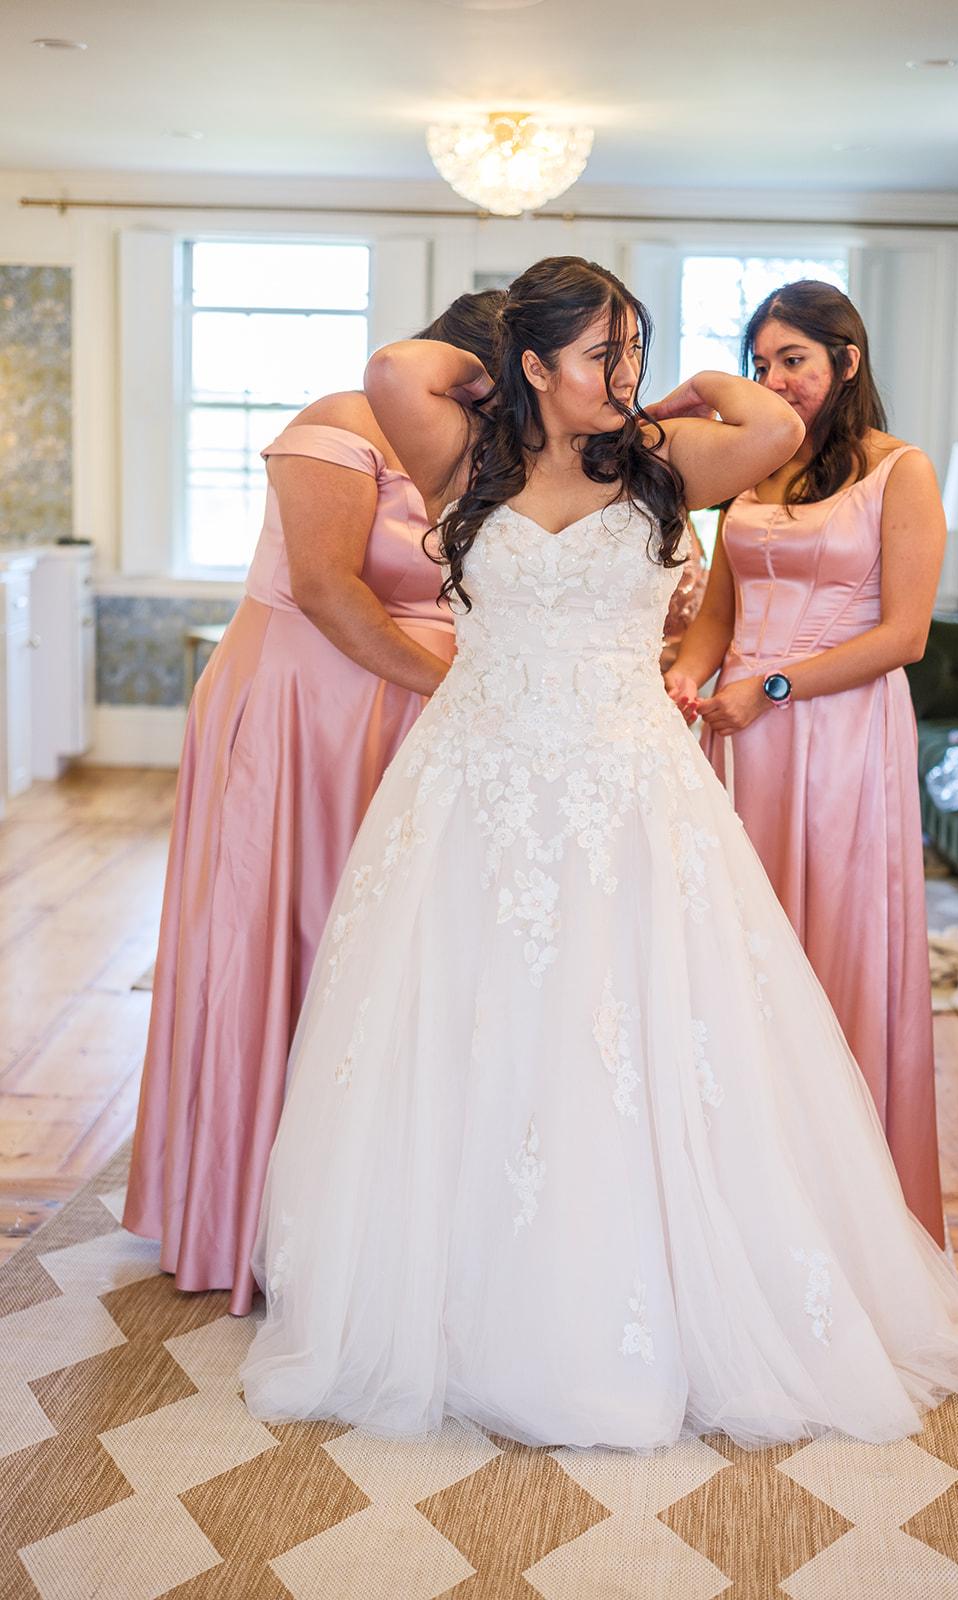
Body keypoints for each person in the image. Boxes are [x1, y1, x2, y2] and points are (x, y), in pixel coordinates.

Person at [240, 257, 958, 1451]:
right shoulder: (464, 458)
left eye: (632, 347)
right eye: (602, 351)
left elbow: (766, 421)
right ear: (534, 363)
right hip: (478, 783)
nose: (626, 372)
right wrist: (503, 376)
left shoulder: (655, 460)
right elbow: (394, 367)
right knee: (473, 1023)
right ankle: (464, 1303)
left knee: (627, 1023)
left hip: (624, 787)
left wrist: (663, 389)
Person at [122, 291, 505, 1316]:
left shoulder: (482, 450)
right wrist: (455, 686)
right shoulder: (340, 422)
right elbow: (330, 590)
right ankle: (243, 1208)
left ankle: (369, 1212)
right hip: (307, 708)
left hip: (416, 722)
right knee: (285, 932)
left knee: (388, 949)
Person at [666, 280, 946, 1244]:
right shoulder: (752, 469)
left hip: (836, 731)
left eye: (793, 360)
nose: (774, 379)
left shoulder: (898, 470)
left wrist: (773, 688)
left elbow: (904, 635)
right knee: (735, 942)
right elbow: (718, 613)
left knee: (827, 937)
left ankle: (842, 1204)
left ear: (846, 361)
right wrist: (685, 681)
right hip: (737, 734)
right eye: (760, 364)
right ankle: (739, 1188)